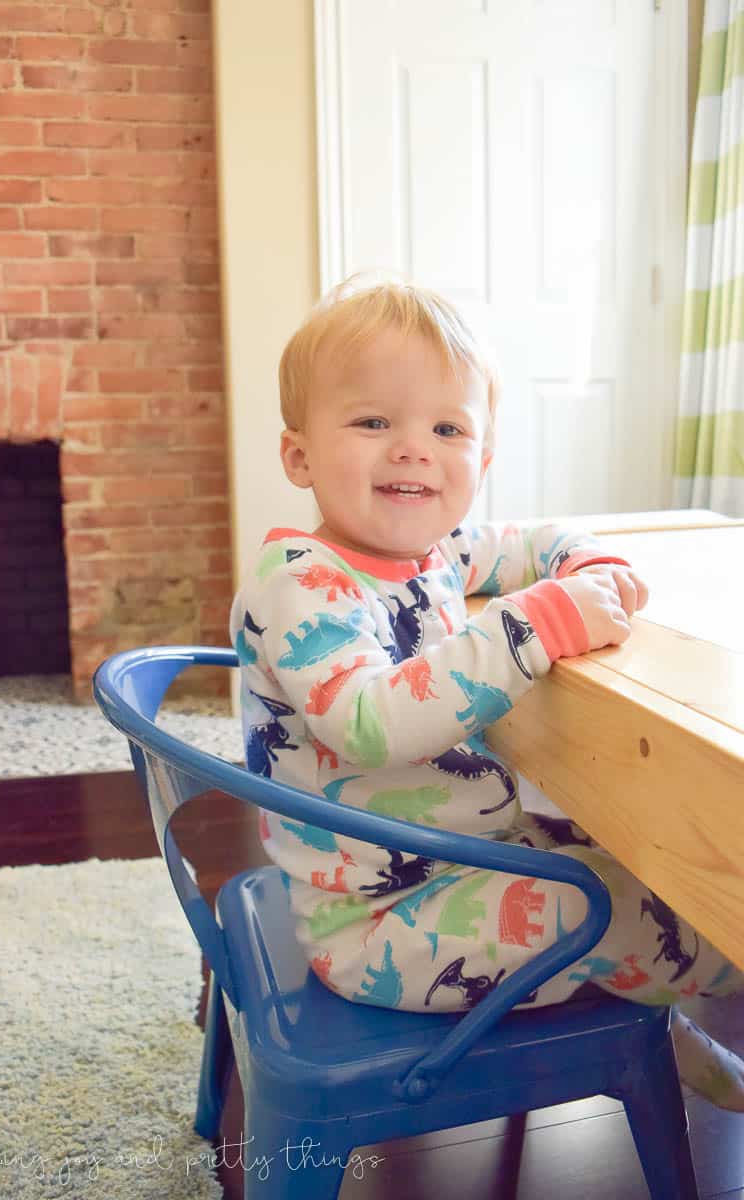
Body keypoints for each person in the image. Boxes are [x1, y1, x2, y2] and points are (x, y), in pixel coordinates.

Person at [230, 279, 744, 1110]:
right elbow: (372, 721)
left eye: (447, 428)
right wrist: (529, 625)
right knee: (641, 905)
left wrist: (581, 563)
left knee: (633, 842)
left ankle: (644, 1005)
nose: (413, 449)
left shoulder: (429, 551)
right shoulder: (300, 585)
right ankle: (676, 983)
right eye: (373, 422)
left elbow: (521, 545)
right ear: (299, 456)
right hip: (379, 920)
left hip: (463, 852)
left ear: (482, 459)